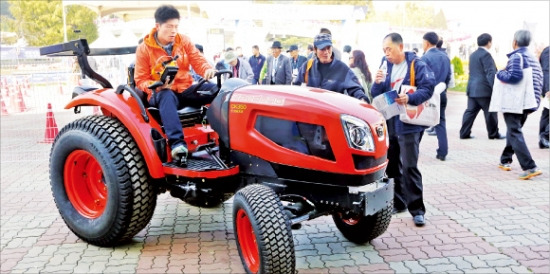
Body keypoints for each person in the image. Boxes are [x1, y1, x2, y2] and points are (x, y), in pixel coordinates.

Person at [134, 5, 217, 164]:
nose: (174, 31)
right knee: (166, 95)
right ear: (158, 26)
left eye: (176, 26)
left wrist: (206, 69)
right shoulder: (144, 49)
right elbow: (140, 80)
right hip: (160, 93)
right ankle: (178, 146)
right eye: (169, 26)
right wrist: (157, 85)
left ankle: (224, 135)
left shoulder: (183, 40)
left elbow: (197, 60)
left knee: (216, 90)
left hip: (185, 89)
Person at [371, 33, 435, 227]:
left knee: (409, 165)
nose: (386, 53)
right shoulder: (385, 64)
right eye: (384, 50)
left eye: (389, 49)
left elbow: (428, 88)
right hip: (391, 118)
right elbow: (376, 93)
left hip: (409, 122)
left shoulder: (417, 64)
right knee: (391, 164)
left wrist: (411, 98)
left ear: (400, 47)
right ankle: (399, 202)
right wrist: (378, 82)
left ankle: (417, 209)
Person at [496, 30, 543, 180]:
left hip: (516, 101)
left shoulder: (517, 56)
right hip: (530, 101)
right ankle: (506, 159)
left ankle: (529, 167)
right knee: (514, 130)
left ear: (514, 41)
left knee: (514, 131)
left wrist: (500, 73)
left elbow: (515, 76)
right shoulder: (533, 57)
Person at [294, 33, 369, 102]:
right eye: (322, 49)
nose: (326, 52)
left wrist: (362, 99)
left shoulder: (342, 68)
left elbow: (355, 88)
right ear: (315, 49)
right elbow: (296, 87)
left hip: (332, 113)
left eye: (328, 48)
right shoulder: (307, 66)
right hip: (311, 111)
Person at [459, 33, 503, 140]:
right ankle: (493, 134)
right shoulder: (486, 55)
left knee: (470, 112)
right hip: (484, 89)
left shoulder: (473, 55)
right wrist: (495, 88)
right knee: (490, 113)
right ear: (489, 42)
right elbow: (490, 73)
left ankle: (464, 133)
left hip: (472, 89)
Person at [420, 32, 451, 161]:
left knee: (420, 122)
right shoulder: (445, 56)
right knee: (441, 122)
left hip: (427, 95)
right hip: (441, 94)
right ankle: (442, 152)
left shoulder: (424, 58)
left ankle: (413, 149)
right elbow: (448, 77)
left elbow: (420, 79)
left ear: (426, 43)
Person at [538, 46, 549, 149]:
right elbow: (546, 70)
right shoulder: (548, 51)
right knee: (546, 113)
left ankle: (544, 140)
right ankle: (545, 136)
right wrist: (548, 88)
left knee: (546, 113)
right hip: (549, 89)